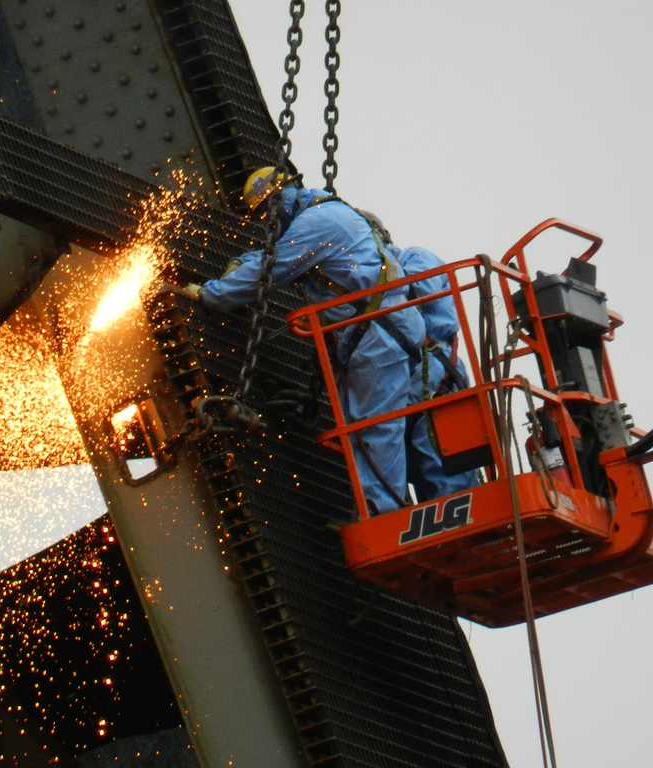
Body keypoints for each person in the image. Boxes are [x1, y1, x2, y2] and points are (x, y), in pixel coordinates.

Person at [182, 168, 425, 516]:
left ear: (283, 197)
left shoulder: (320, 220)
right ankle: (378, 509)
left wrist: (213, 295)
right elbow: (280, 256)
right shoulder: (317, 220)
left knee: (375, 427)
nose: (266, 220)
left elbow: (273, 269)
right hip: (371, 336)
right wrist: (243, 261)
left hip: (379, 335)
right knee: (362, 429)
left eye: (267, 209)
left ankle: (384, 515)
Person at [356, 210, 478, 501]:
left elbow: (412, 294)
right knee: (404, 459)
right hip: (402, 376)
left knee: (445, 465)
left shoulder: (416, 258)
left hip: (434, 373)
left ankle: (459, 521)